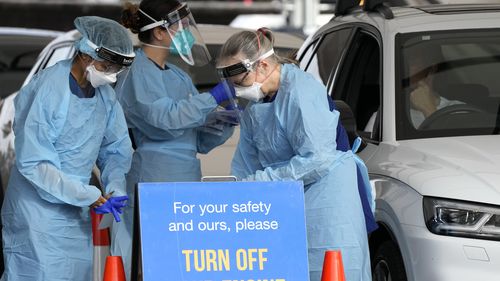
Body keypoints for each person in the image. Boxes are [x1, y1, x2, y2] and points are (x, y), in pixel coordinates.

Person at [217, 28, 371, 281]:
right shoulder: (257, 105)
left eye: (240, 82)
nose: (237, 90)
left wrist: (263, 182)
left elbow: (318, 158)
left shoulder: (302, 91)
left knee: (331, 267)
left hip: (328, 196)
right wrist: (237, 195)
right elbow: (245, 164)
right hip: (285, 197)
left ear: (263, 65)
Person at [0, 16, 135, 281]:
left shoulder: (105, 96)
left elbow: (117, 149)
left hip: (76, 212)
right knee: (38, 273)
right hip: (37, 213)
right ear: (86, 56)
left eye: (116, 69)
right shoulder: (51, 88)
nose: (112, 75)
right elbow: (34, 163)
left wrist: (114, 187)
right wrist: (87, 195)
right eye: (107, 66)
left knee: (79, 272)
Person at [114, 0, 235, 278]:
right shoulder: (137, 73)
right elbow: (165, 120)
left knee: (183, 264)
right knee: (153, 262)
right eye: (179, 25)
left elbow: (197, 138)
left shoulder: (179, 76)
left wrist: (224, 120)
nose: (186, 31)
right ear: (159, 32)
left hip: (187, 180)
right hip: (153, 180)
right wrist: (213, 97)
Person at [406, 46, 462, 128]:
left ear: (431, 68)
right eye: (404, 63)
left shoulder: (457, 110)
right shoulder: (392, 114)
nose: (405, 69)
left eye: (412, 63)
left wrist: (428, 110)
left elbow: (451, 141)